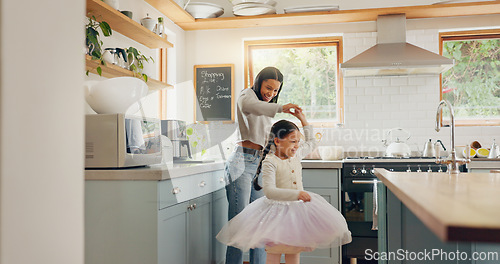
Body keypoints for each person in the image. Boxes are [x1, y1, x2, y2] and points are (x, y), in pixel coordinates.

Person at [218, 111, 352, 264]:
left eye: (298, 142)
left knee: (294, 252)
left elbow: (312, 142)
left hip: (296, 214)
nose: (297, 145)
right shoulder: (270, 162)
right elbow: (269, 191)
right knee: (274, 253)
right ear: (277, 141)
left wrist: (302, 119)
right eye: (292, 141)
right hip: (276, 216)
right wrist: (296, 195)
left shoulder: (297, 154)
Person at [224, 66, 302, 264]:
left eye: (276, 91)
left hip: (259, 164)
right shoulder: (247, 96)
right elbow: (253, 107)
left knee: (261, 223)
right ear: (259, 83)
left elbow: (266, 139)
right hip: (241, 163)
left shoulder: (266, 107)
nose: (271, 94)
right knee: (239, 224)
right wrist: (281, 107)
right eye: (268, 88)